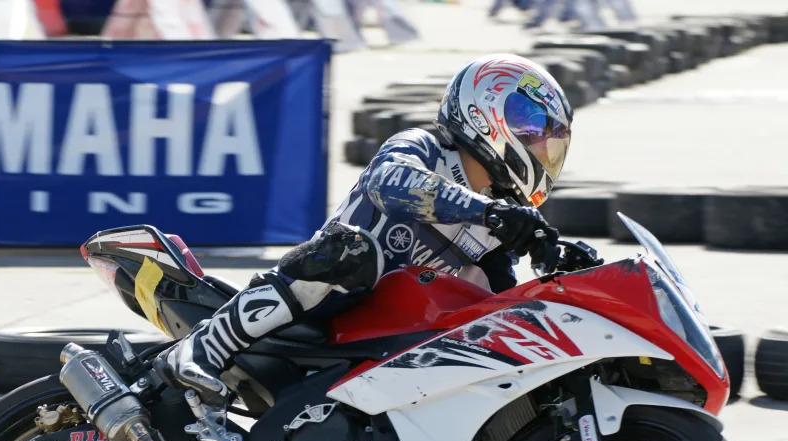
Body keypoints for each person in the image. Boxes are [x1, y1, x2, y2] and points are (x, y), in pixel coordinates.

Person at [155, 53, 573, 413]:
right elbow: (389, 181)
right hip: (327, 296)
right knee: (350, 252)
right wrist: (492, 214)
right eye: (528, 123)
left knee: (484, 305)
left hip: (391, 330)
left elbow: (499, 303)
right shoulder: (426, 147)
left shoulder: (499, 213)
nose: (538, 143)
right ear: (484, 113)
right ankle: (201, 349)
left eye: (547, 137)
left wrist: (556, 266)